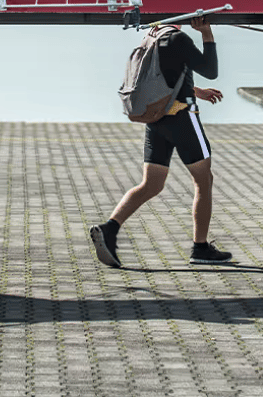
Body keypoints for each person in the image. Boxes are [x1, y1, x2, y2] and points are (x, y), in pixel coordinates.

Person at [90, 16, 231, 268]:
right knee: (204, 180)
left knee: (151, 184)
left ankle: (110, 228)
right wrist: (207, 34)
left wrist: (196, 90)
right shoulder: (178, 38)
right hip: (183, 119)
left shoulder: (152, 36)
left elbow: (165, 76)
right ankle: (200, 248)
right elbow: (211, 71)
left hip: (156, 119)